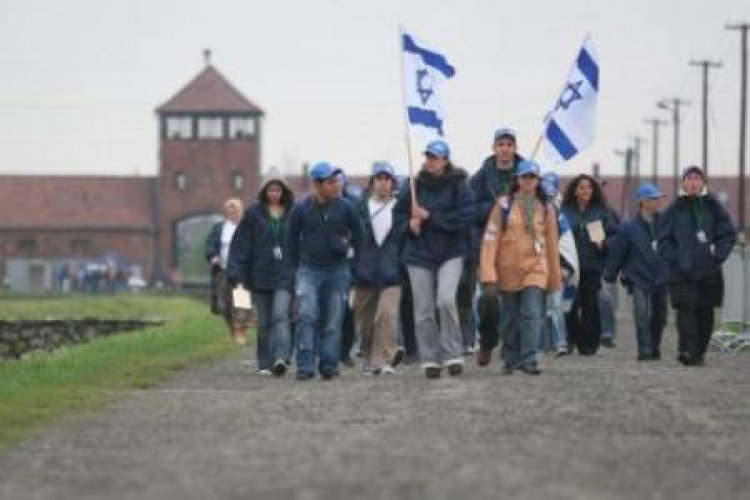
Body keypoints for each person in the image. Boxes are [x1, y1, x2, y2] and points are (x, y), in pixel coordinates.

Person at [394, 139, 474, 379]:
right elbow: (397, 217)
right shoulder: (415, 185)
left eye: (435, 157)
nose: (430, 161)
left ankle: (453, 353)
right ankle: (429, 358)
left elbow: (466, 217)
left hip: (451, 252)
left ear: (446, 160)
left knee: (446, 300)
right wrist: (410, 225)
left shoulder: (460, 185)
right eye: (428, 156)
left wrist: (430, 217)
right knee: (423, 309)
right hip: (419, 254)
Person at [479, 160, 561, 375]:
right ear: (517, 180)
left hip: (536, 268)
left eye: (532, 177)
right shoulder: (503, 206)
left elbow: (552, 243)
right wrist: (488, 269)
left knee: (532, 313)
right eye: (524, 177)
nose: (528, 181)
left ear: (538, 181)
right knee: (510, 318)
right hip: (508, 269)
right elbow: (491, 237)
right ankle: (510, 357)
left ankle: (531, 357)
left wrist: (554, 275)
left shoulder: (547, 208)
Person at [287, 162, 364, 380]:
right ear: (317, 184)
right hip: (308, 270)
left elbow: (360, 236)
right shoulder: (301, 209)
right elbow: (290, 240)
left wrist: (355, 266)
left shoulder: (347, 207)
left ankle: (329, 364)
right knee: (306, 315)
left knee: (333, 320)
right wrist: (295, 269)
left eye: (337, 181)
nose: (337, 186)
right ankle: (305, 365)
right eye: (330, 182)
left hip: (338, 271)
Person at [657, 166, 736, 366]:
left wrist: (717, 255)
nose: (692, 182)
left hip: (708, 270)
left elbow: (728, 234)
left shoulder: (713, 207)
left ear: (703, 183)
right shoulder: (674, 209)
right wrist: (674, 259)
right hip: (682, 271)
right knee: (685, 310)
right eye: (689, 179)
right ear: (683, 183)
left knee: (705, 313)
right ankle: (686, 350)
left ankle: (699, 351)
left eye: (697, 178)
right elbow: (663, 239)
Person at [227, 168, 295, 376]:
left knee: (280, 316)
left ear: (284, 191)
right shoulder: (253, 214)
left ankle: (281, 358)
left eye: (278, 190)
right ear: (264, 191)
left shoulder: (293, 213)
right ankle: (265, 362)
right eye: (271, 190)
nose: (274, 194)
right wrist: (236, 272)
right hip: (260, 275)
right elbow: (240, 246)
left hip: (285, 274)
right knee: (264, 322)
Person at [469, 127, 525, 366]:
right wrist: (494, 209)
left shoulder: (526, 174)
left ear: (515, 148)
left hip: (517, 249)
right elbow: (470, 211)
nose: (505, 149)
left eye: (509, 144)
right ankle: (487, 341)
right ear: (493, 148)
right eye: (501, 144)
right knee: (488, 300)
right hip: (488, 248)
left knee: (514, 304)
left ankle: (511, 351)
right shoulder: (480, 177)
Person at [603, 183, 669, 361]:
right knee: (641, 313)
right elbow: (618, 253)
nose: (658, 202)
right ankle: (644, 350)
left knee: (661, 316)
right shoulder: (628, 229)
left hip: (661, 277)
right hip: (637, 276)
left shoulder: (666, 225)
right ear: (642, 202)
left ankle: (654, 345)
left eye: (658, 199)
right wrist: (609, 276)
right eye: (653, 199)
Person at [352, 162, 406, 374]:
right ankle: (367, 356)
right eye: (379, 179)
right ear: (372, 182)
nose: (383, 183)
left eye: (387, 179)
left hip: (392, 272)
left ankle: (385, 358)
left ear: (393, 182)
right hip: (364, 272)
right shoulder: (360, 208)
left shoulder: (401, 208)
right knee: (365, 323)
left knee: (387, 314)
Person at [561, 175, 618, 355]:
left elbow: (616, 236)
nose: (586, 191)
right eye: (582, 187)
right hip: (569, 266)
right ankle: (572, 338)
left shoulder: (601, 212)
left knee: (590, 305)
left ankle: (589, 345)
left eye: (589, 188)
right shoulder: (564, 211)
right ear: (575, 191)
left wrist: (605, 244)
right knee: (570, 304)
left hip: (592, 265)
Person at [540, 171, 579, 356]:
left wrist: (565, 267)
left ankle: (560, 341)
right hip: (535, 267)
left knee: (555, 305)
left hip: (556, 267)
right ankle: (542, 343)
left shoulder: (561, 218)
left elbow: (566, 244)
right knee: (538, 308)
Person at [205, 198, 248, 345]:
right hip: (223, 270)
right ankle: (233, 329)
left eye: (235, 211)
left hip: (242, 272)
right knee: (224, 305)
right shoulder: (219, 228)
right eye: (230, 211)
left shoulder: (247, 228)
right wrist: (213, 257)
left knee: (242, 303)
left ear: (241, 212)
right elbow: (210, 244)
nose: (232, 214)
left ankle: (241, 331)